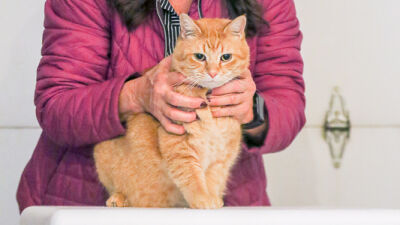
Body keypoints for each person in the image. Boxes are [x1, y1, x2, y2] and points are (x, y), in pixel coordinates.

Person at [17, 0, 305, 212]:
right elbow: (55, 106)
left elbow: (288, 101)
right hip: (93, 202)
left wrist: (252, 111)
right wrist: (136, 95)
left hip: (222, 205)